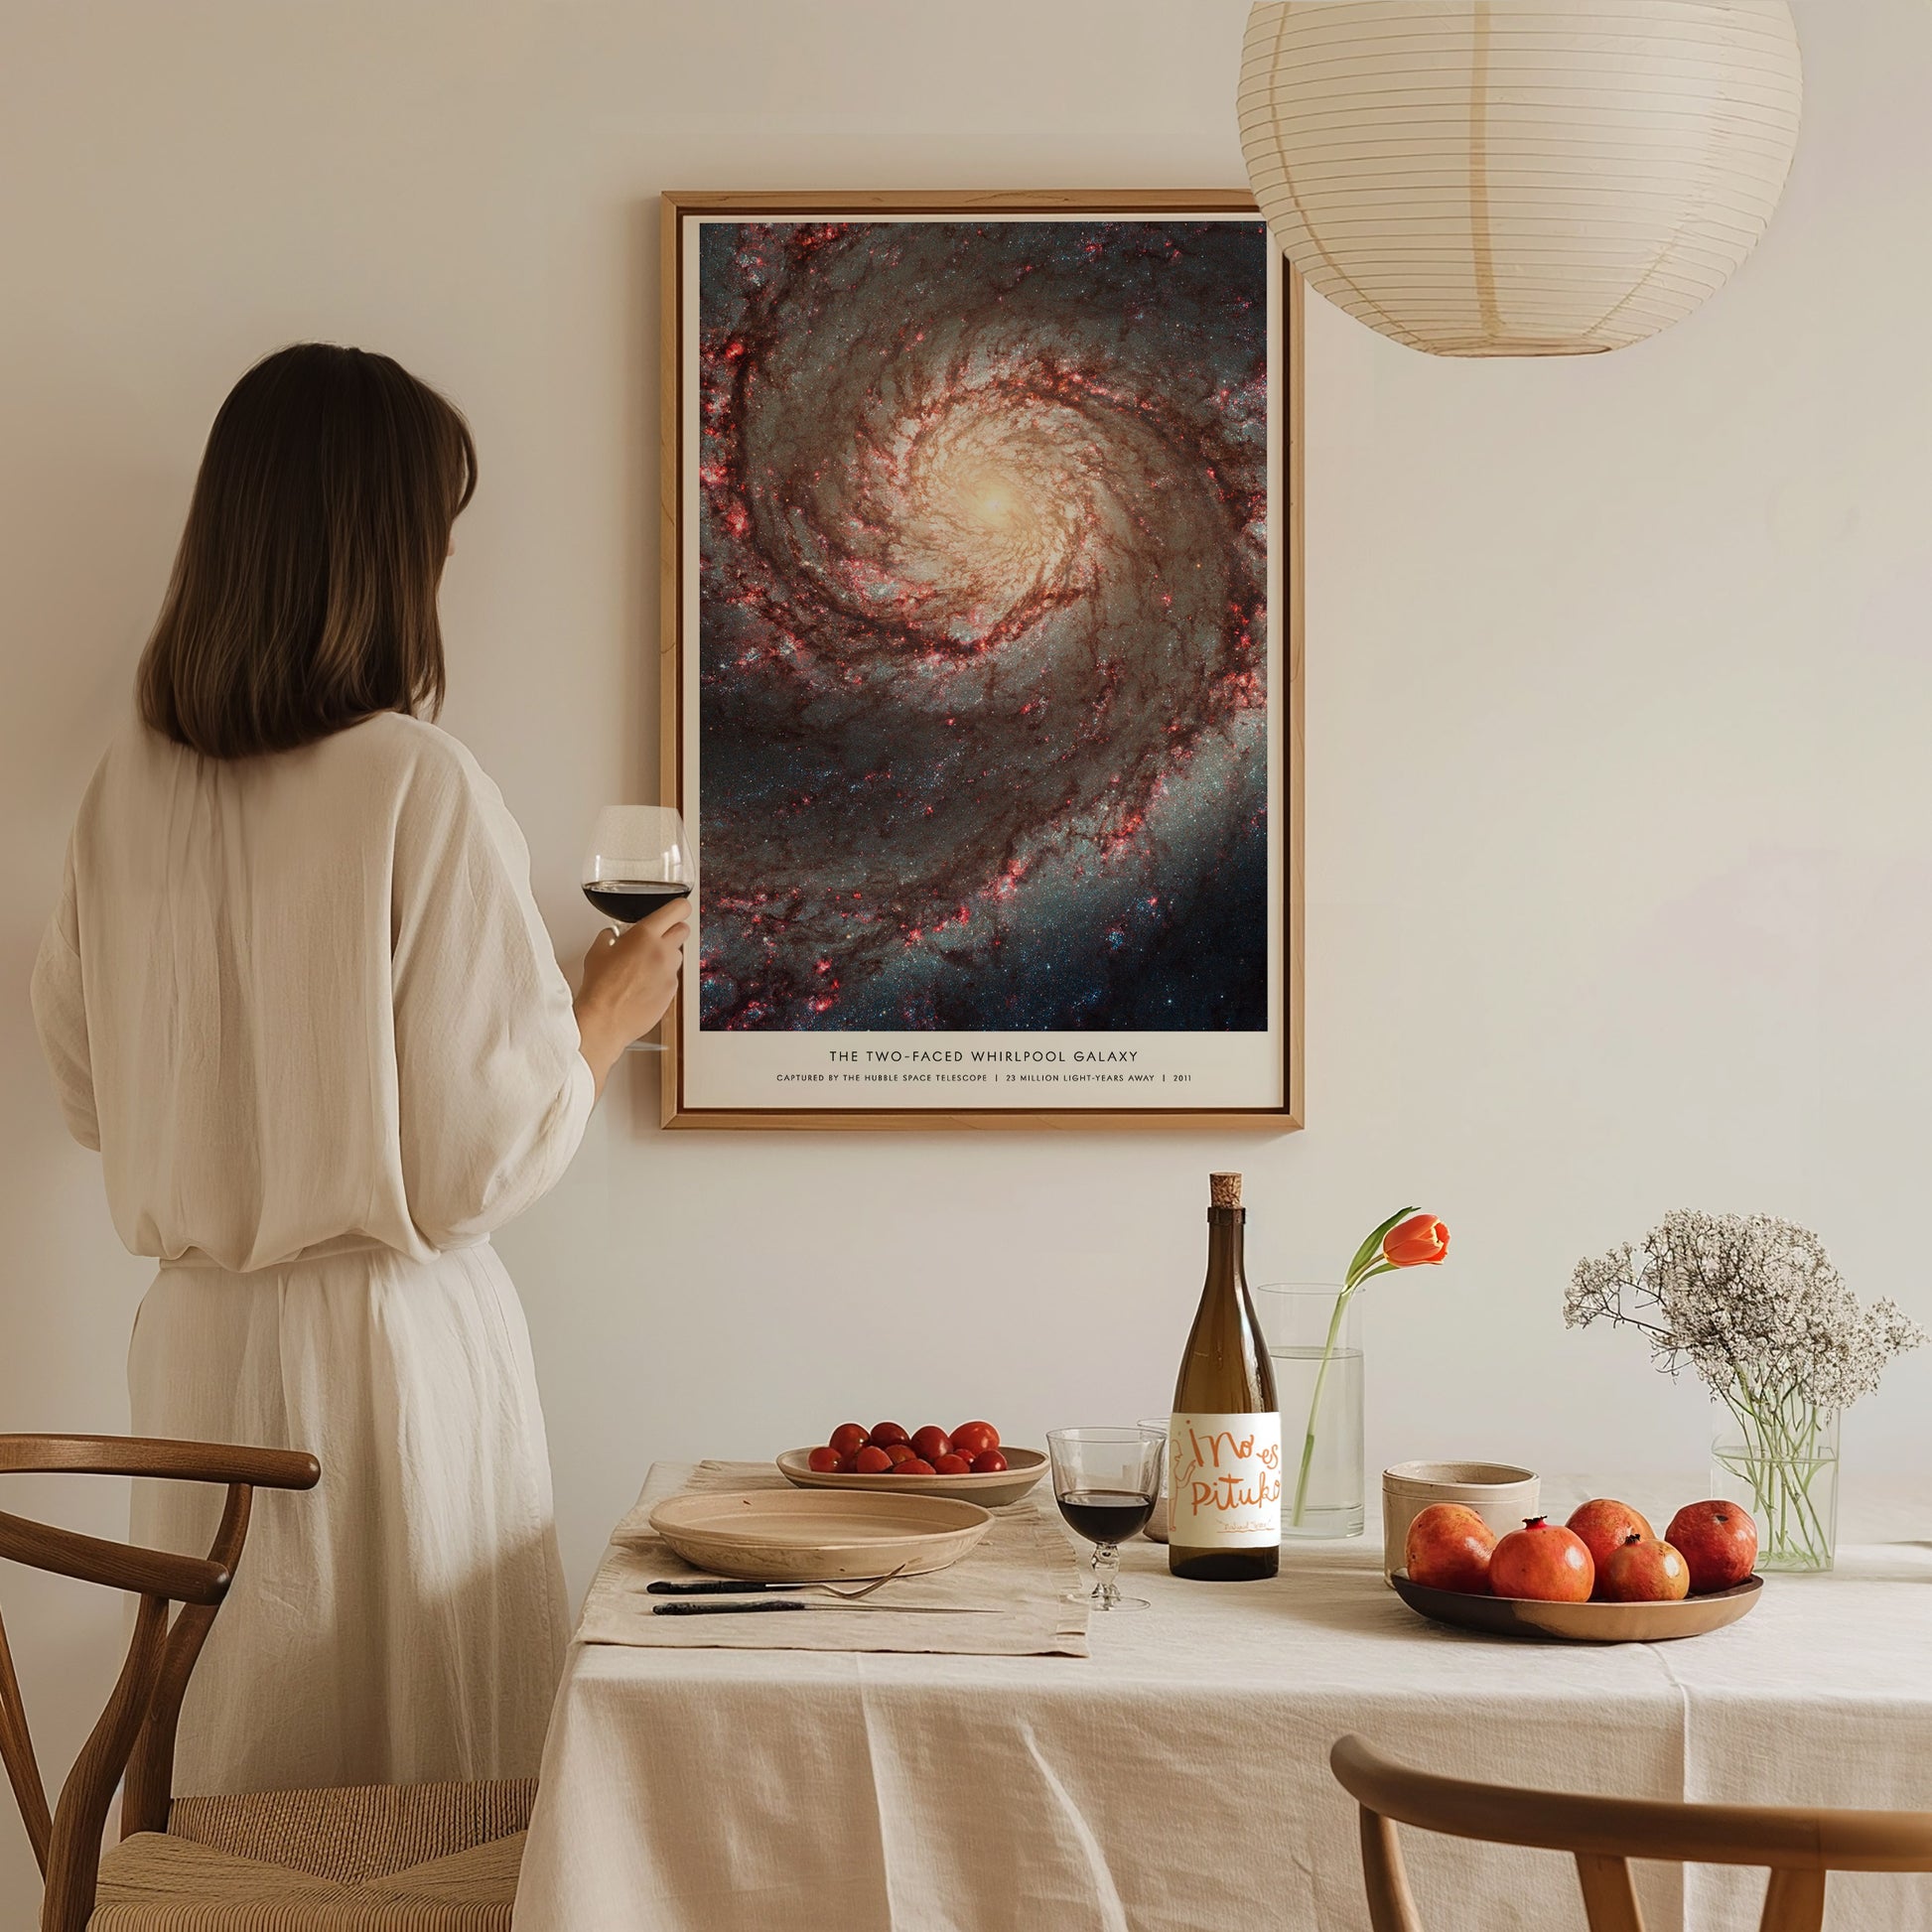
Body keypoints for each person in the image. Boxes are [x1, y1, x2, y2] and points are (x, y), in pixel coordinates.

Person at [29, 343, 685, 1793]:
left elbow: (87, 1093)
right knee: (420, 1795)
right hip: (388, 1361)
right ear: (385, 552)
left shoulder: (122, 791)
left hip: (196, 1350)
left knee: (239, 1774)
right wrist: (603, 1011)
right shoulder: (414, 779)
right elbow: (470, 1165)